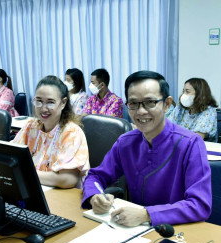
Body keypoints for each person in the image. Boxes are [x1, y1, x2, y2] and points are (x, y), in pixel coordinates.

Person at [81, 71, 212, 227]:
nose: (141, 111)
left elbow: (200, 204)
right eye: (134, 103)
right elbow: (95, 176)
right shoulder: (126, 142)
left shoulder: (190, 144)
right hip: (133, 230)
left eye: (150, 102)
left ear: (167, 104)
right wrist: (95, 196)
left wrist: (147, 215)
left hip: (177, 231)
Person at [12, 76, 90, 189]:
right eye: (39, 101)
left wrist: (27, 174)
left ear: (63, 103)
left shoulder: (71, 132)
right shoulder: (31, 126)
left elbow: (67, 179)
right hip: (37, 189)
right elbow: (11, 154)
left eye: (50, 103)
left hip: (64, 195)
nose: (43, 108)